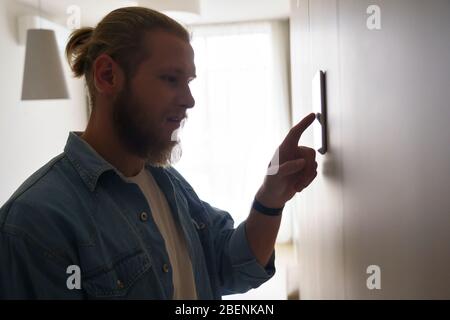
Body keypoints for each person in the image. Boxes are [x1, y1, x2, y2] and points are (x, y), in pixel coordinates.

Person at [0, 7, 317, 299]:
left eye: (189, 81)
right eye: (170, 79)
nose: (189, 100)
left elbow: (232, 264)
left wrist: (272, 196)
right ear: (107, 76)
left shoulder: (167, 183)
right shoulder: (35, 222)